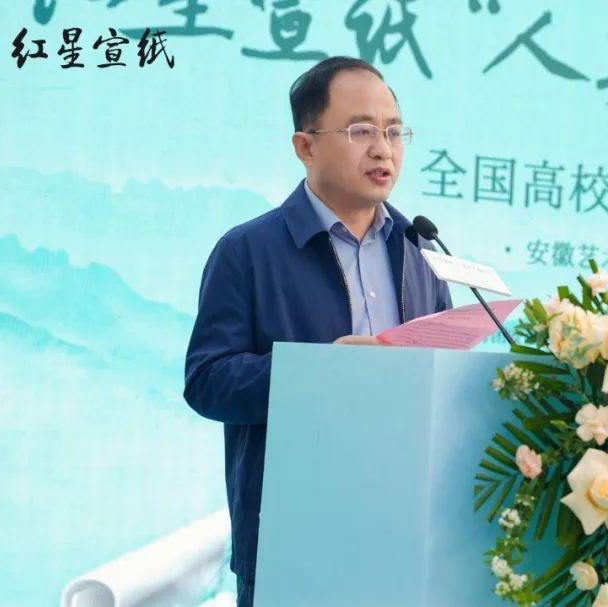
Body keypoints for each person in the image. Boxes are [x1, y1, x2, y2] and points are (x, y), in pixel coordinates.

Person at [183, 56, 452, 606]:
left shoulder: (421, 250)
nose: (383, 149)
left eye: (394, 132)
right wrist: (318, 373)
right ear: (305, 147)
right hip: (293, 542)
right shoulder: (248, 251)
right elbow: (206, 381)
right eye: (361, 131)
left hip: (405, 535)